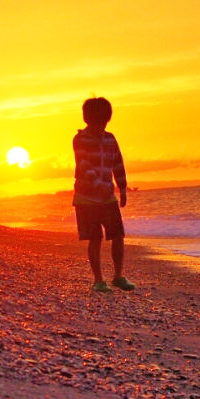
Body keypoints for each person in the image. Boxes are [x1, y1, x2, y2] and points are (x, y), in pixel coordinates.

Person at [72, 97, 135, 293]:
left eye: (102, 122)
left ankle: (118, 276)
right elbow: (82, 164)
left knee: (118, 234)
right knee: (95, 237)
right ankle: (98, 280)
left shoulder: (110, 138)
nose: (99, 126)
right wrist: (97, 183)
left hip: (107, 196)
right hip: (86, 197)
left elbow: (117, 163)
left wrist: (122, 188)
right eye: (95, 121)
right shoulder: (80, 139)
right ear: (86, 119)